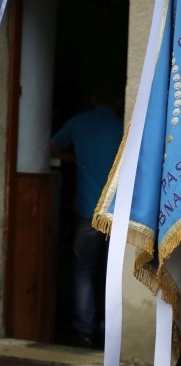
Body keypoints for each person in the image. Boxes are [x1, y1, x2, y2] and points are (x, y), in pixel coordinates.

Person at [51, 86, 123, 348]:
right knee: (113, 273)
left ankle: (84, 330)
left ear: (93, 99)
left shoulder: (79, 122)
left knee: (83, 270)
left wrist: (76, 158)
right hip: (117, 214)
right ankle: (109, 329)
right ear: (119, 101)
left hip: (87, 212)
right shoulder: (122, 127)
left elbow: (52, 149)